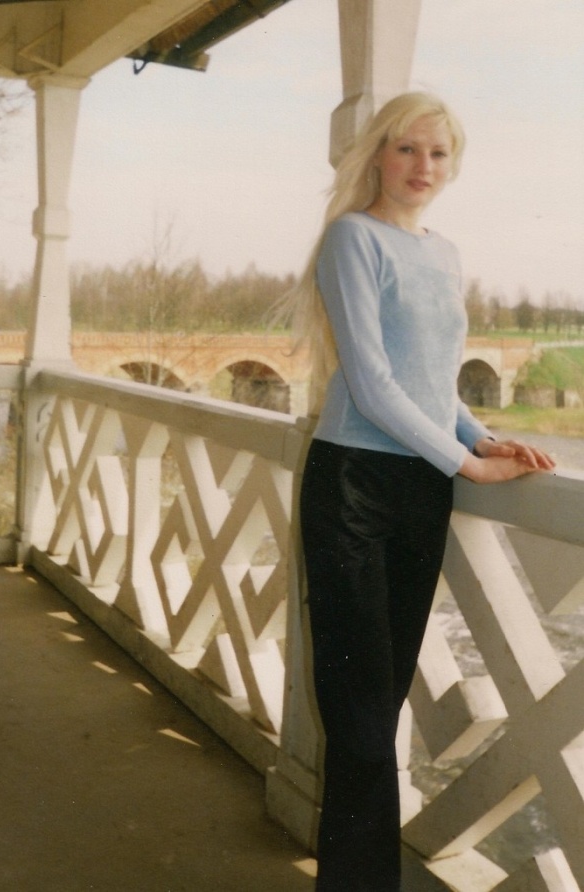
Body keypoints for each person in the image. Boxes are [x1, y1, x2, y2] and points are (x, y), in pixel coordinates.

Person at [281, 93, 555, 891]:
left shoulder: (445, 253)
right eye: (407, 149)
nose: (422, 167)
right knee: (361, 717)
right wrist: (466, 464)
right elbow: (371, 384)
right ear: (378, 154)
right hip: (355, 486)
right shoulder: (353, 238)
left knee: (383, 700)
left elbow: (432, 380)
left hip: (420, 487)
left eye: (438, 154)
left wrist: (480, 437)